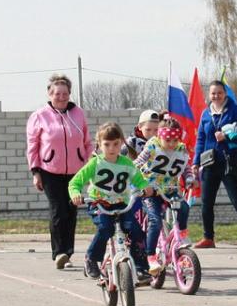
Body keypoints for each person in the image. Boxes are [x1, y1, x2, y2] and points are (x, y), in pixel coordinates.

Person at [68, 122, 152, 282]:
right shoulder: (95, 163)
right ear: (99, 145)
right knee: (106, 228)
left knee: (136, 231)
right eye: (107, 144)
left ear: (121, 143)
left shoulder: (126, 163)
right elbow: (75, 182)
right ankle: (91, 259)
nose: (112, 148)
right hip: (99, 203)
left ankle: (140, 268)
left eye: (116, 144)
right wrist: (76, 194)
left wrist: (145, 187)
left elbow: (138, 179)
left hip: (121, 203)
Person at [27, 73, 92, 270]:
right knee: (58, 211)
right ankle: (59, 252)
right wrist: (36, 172)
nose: (61, 97)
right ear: (50, 94)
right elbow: (33, 146)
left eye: (65, 94)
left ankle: (68, 253)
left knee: (71, 211)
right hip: (49, 170)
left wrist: (89, 165)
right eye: (57, 93)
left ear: (69, 94)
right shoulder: (40, 116)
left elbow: (87, 142)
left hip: (75, 171)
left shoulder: (78, 114)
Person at [192, 81, 237, 250]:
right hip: (209, 163)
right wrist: (195, 162)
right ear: (209, 95)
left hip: (231, 162)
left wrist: (227, 136)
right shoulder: (206, 114)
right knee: (206, 203)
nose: (216, 96)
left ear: (225, 93)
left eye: (219, 93)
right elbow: (200, 139)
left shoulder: (235, 110)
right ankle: (208, 238)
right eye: (213, 93)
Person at [135, 116, 194, 273]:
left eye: (175, 140)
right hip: (151, 190)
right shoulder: (152, 146)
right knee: (155, 221)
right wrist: (135, 179)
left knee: (184, 207)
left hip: (170, 189)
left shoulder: (180, 149)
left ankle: (182, 234)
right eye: (168, 140)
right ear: (160, 136)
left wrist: (190, 178)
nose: (171, 144)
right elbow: (137, 163)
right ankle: (151, 256)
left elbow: (186, 167)